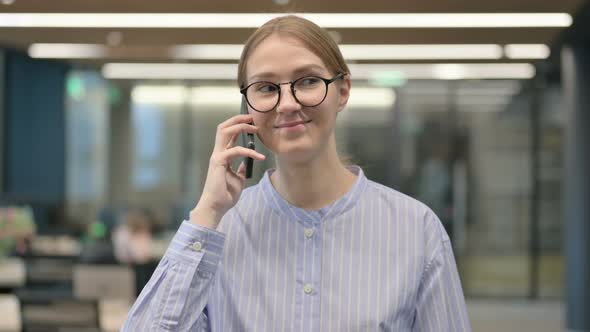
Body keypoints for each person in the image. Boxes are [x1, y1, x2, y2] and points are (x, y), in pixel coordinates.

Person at [122, 15, 470, 331]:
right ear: (248, 109)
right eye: (267, 88)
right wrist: (206, 214)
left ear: (343, 91)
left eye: (306, 81)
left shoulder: (416, 230)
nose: (287, 104)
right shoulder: (218, 231)